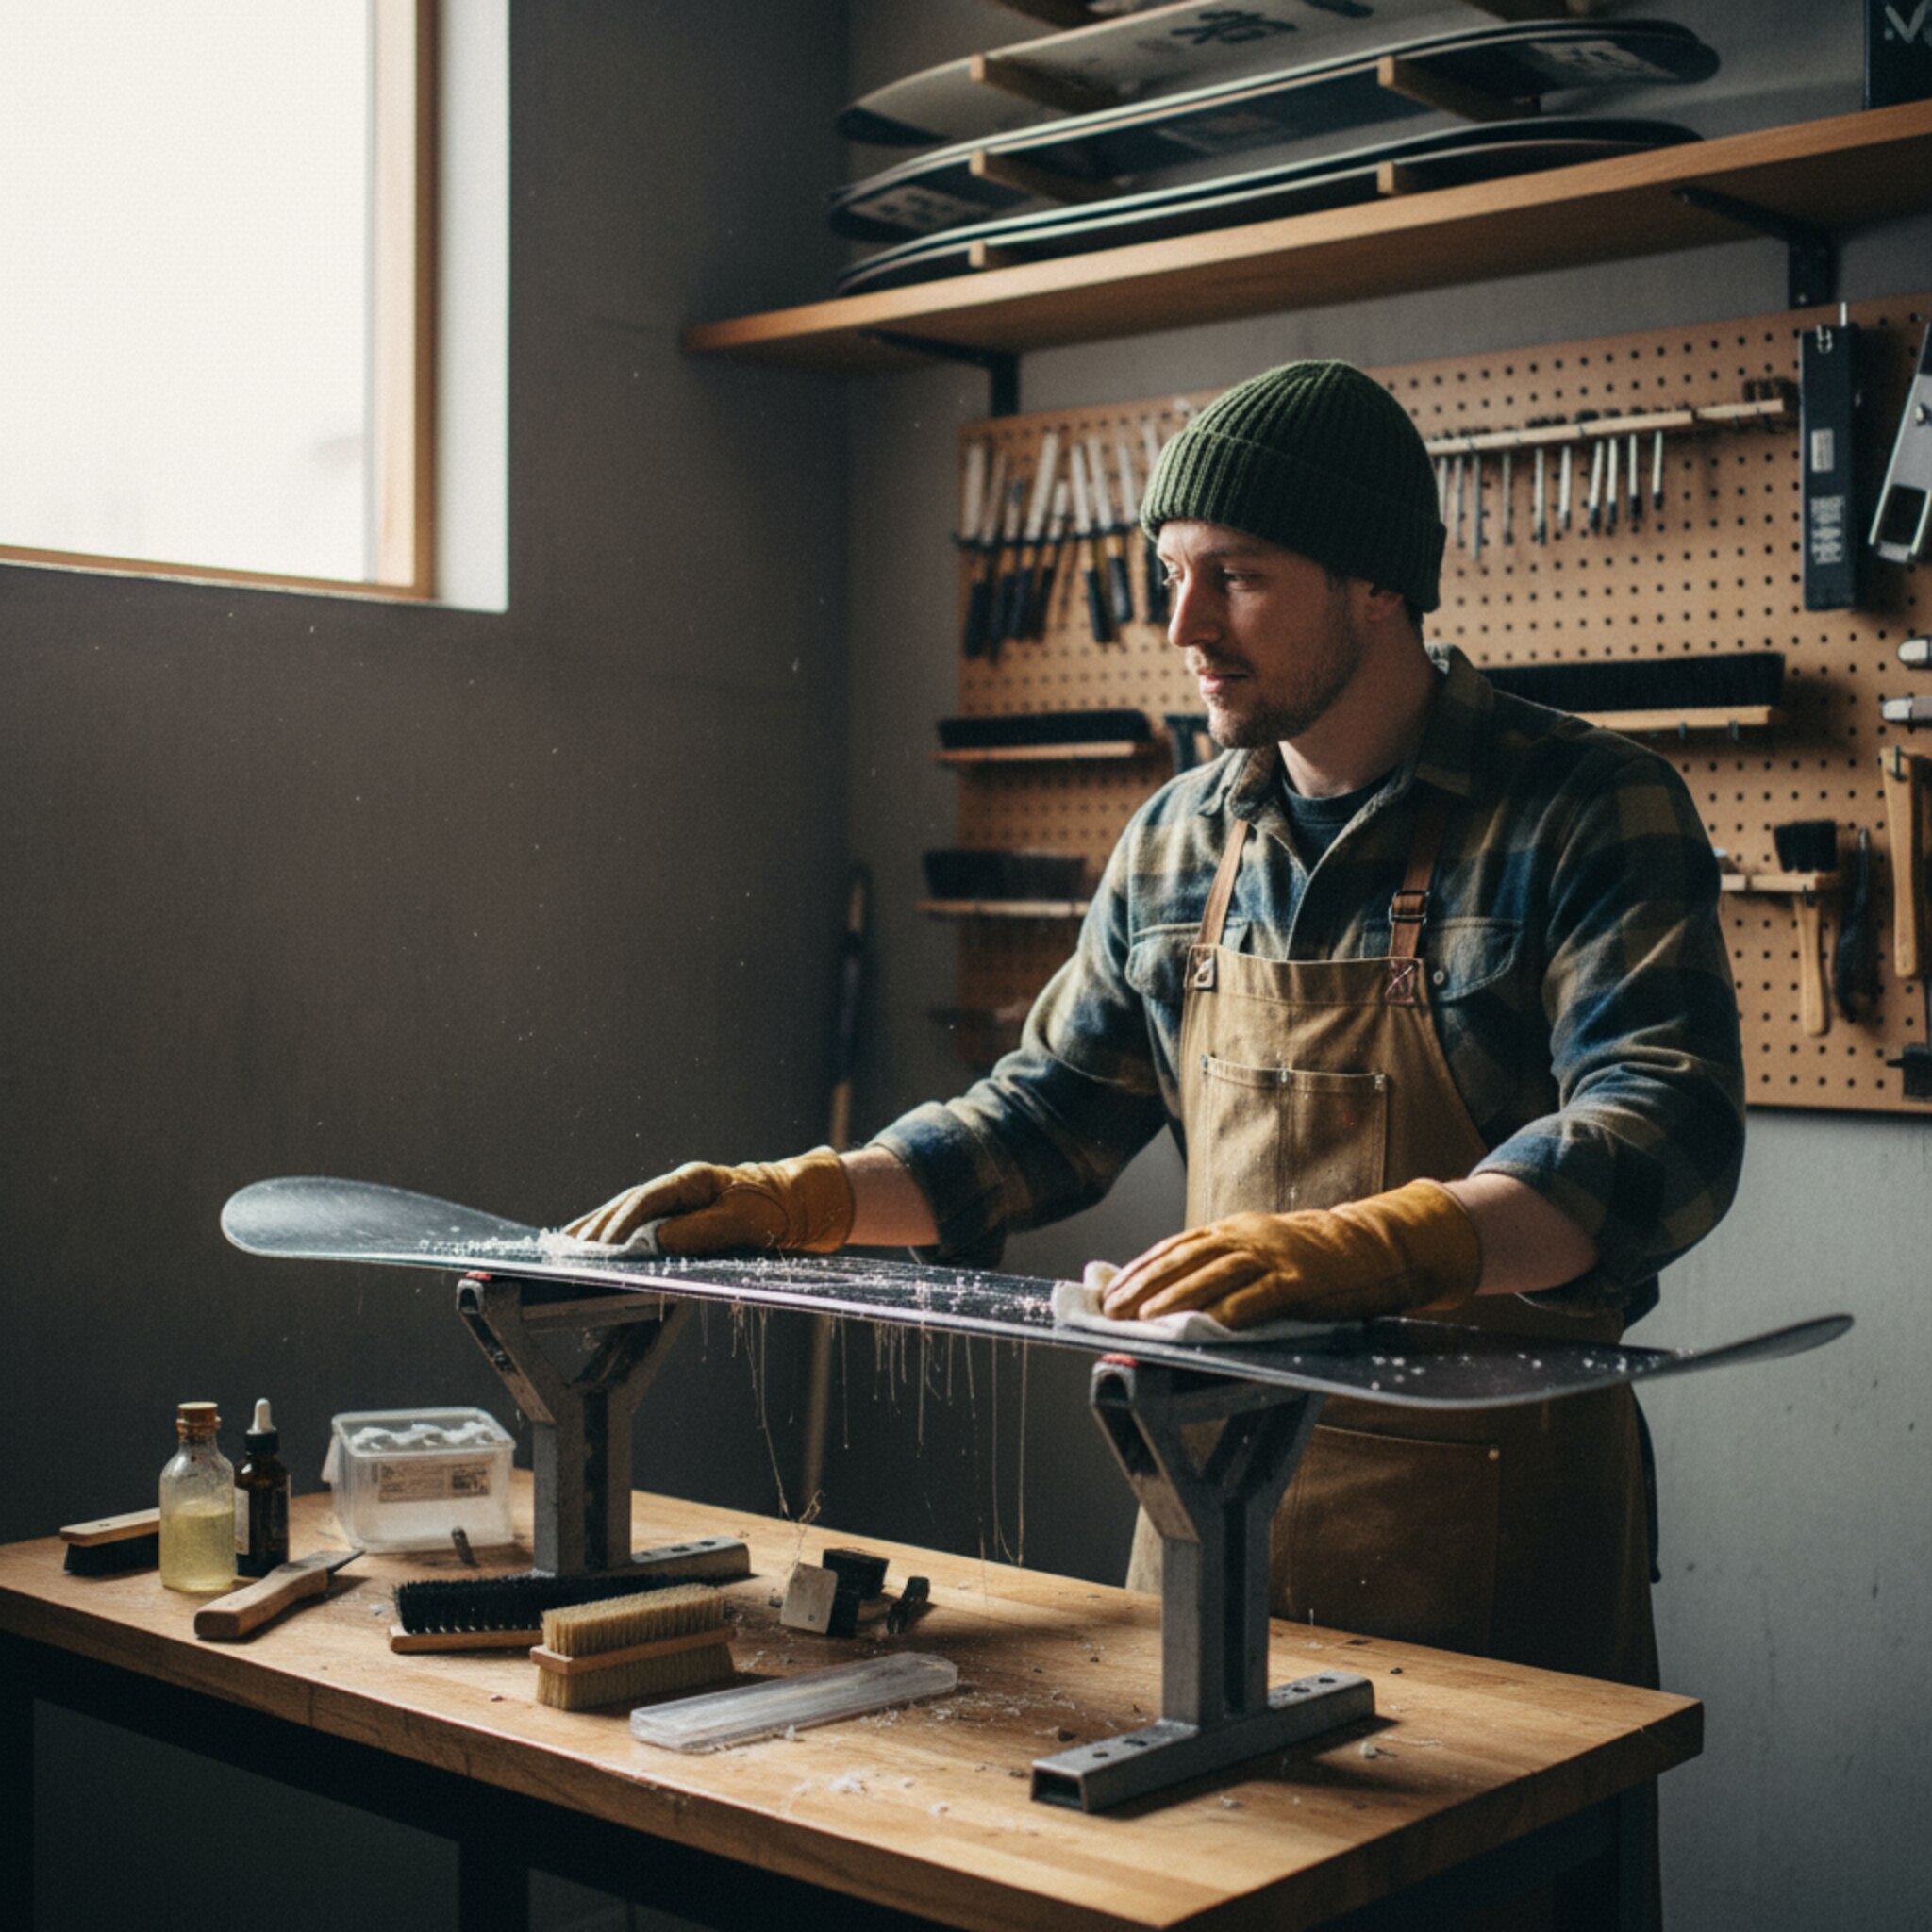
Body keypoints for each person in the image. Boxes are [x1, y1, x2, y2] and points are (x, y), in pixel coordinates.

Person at [570, 358, 1744, 1693]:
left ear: (1377, 581)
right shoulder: (1178, 842)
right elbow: (1034, 1125)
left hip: (1496, 1550)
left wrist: (1375, 1246)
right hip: (1208, 1510)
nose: (1184, 624)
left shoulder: (1589, 808)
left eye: (1236, 576)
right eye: (1173, 572)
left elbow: (1664, 1128)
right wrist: (808, 1199)